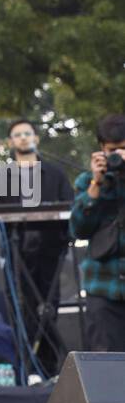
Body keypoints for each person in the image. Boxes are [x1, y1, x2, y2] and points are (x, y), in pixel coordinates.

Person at [0, 119, 73, 373]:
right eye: (17, 135)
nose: (22, 138)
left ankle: (51, 369)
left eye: (27, 133)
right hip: (18, 254)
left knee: (48, 309)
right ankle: (26, 370)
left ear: (36, 139)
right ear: (11, 143)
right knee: (23, 310)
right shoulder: (4, 175)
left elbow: (71, 208)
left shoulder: (55, 174)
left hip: (49, 253)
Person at [69, 114, 125, 351]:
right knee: (108, 368)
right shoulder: (87, 182)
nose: (120, 156)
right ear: (102, 150)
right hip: (104, 288)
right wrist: (96, 184)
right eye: (114, 150)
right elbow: (78, 230)